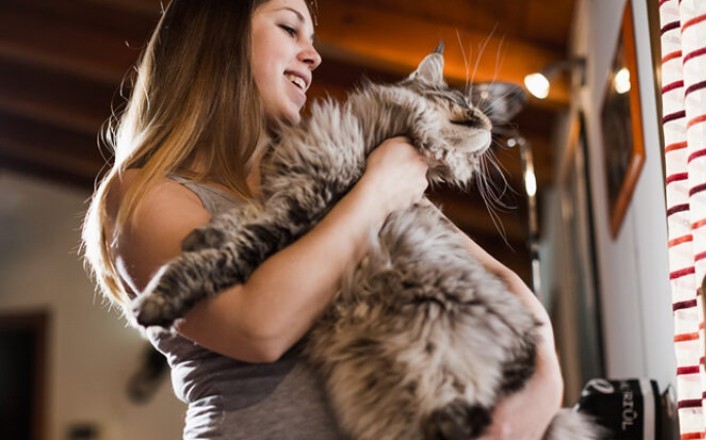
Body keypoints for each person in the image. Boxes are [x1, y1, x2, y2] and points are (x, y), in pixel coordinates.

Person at [81, 0, 564, 438]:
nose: (314, 56)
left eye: (313, 40)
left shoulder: (339, 170)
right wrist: (377, 193)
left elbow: (502, 280)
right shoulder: (147, 192)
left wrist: (539, 396)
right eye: (290, 28)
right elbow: (259, 327)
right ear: (217, 39)